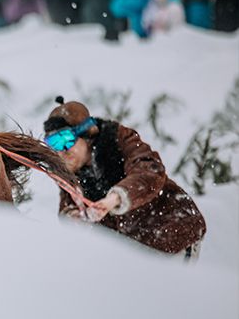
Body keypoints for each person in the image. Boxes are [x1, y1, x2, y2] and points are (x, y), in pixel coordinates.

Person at [44, 97, 206, 255]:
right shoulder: (70, 171)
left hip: (172, 232)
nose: (61, 151)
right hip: (131, 247)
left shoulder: (119, 140)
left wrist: (115, 199)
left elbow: (149, 172)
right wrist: (74, 217)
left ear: (87, 134)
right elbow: (67, 205)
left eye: (66, 139)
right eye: (53, 144)